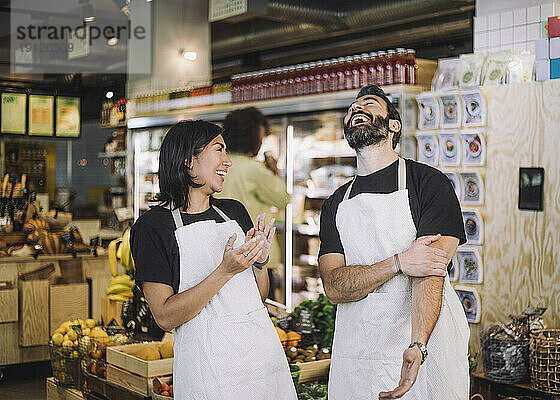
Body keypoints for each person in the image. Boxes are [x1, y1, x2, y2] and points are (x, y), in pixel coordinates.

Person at [318, 85, 470, 399]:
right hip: (358, 346)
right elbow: (334, 286)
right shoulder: (335, 202)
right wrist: (398, 263)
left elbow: (430, 270)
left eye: (369, 104)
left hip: (421, 341)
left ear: (393, 125)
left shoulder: (428, 183)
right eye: (352, 108)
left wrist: (417, 344)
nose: (356, 108)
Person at [131, 120, 297, 400]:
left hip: (260, 362)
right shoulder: (152, 227)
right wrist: (225, 271)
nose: (228, 161)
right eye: (219, 150)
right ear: (188, 161)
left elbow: (257, 299)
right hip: (208, 371)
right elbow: (165, 316)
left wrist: (259, 263)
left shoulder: (234, 212)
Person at [215, 107, 289, 294]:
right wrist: (275, 171)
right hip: (254, 255)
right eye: (261, 138)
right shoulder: (254, 169)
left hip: (222, 254)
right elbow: (283, 198)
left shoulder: (218, 164)